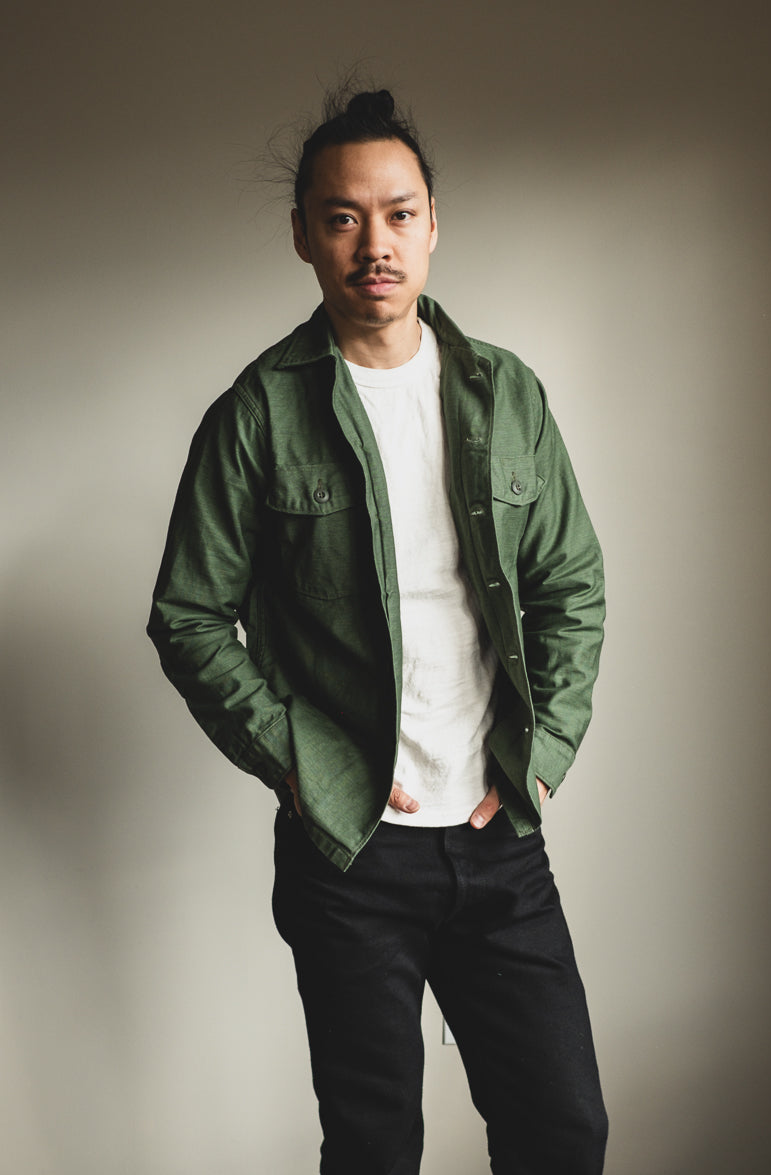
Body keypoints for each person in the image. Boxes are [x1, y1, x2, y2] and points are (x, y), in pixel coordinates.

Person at [148, 88, 607, 1175]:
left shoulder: (506, 394)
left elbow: (570, 582)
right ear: (303, 234)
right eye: (343, 218)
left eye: (398, 214)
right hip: (349, 850)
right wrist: (298, 760)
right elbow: (188, 613)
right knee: (372, 1146)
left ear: (433, 223)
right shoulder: (257, 413)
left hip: (499, 836)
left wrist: (543, 754)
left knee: (562, 1129)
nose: (374, 245)